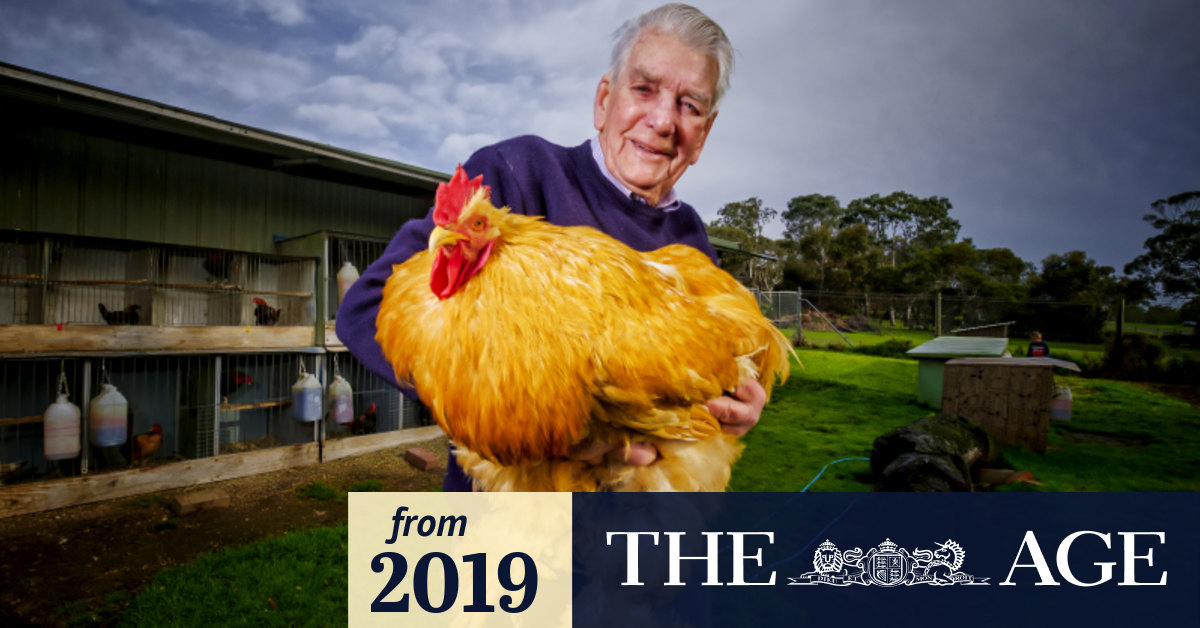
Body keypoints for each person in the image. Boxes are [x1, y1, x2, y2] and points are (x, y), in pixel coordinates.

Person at [337, 3, 763, 491]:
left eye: (690, 106)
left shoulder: (692, 240)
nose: (664, 120)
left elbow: (711, 384)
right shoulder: (517, 174)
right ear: (604, 101)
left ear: (703, 133)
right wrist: (523, 423)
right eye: (644, 89)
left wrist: (740, 403)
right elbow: (367, 308)